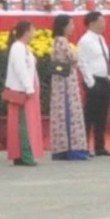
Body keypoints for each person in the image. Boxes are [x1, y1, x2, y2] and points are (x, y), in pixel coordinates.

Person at [45, 14, 84, 159]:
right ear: (64, 27)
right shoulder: (62, 41)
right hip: (66, 81)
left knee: (60, 111)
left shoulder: (56, 41)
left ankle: (61, 148)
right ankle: (72, 147)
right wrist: (76, 58)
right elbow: (73, 58)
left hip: (60, 80)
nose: (73, 27)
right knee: (69, 111)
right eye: (71, 25)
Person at [74, 12, 110, 157]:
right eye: (101, 21)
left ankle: (100, 146)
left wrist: (108, 77)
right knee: (89, 115)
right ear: (91, 23)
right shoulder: (85, 41)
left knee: (102, 115)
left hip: (105, 79)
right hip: (94, 80)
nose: (104, 24)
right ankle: (83, 146)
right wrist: (90, 83)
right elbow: (82, 62)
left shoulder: (100, 38)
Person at [3, 20, 40, 163]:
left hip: (24, 89)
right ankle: (25, 154)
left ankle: (20, 154)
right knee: (24, 123)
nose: (34, 33)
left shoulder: (23, 47)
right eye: (32, 30)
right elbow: (20, 69)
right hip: (21, 91)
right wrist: (28, 87)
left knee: (21, 122)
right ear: (26, 32)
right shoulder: (18, 47)